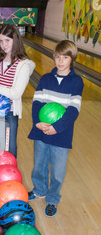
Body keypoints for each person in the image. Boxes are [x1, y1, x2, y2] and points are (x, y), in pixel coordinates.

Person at [27, 40, 84, 217]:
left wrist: (57, 128)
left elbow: (74, 110)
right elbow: (36, 103)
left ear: (72, 59)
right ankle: (39, 189)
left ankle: (52, 199)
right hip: (41, 131)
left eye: (65, 57)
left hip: (61, 135)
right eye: (58, 57)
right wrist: (37, 122)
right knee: (39, 165)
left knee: (58, 171)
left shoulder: (76, 82)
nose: (60, 61)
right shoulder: (45, 79)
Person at [0, 24, 35, 158]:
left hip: (11, 111)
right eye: (1, 41)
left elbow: (16, 93)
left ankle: (10, 174)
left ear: (15, 40)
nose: (3, 44)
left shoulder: (24, 64)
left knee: (10, 146)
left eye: (7, 40)